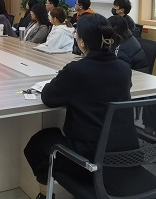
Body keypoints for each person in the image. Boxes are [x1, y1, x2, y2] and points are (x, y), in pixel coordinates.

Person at [24, 14, 138, 199]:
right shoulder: (124, 68)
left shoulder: (76, 70)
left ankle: (45, 195)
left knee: (37, 143)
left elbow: (49, 98)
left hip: (89, 161)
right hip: (125, 155)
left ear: (82, 43)